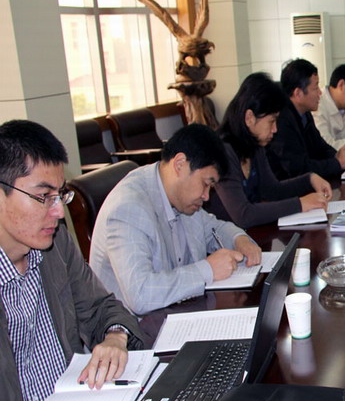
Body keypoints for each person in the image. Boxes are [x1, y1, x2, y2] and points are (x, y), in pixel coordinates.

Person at [0, 120, 143, 401]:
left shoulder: (55, 246)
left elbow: (104, 308)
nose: (58, 212)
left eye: (59, 196)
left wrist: (115, 336)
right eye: (42, 197)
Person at [90, 124, 262, 316]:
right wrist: (207, 270)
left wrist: (240, 239)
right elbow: (141, 295)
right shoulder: (129, 208)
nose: (206, 196)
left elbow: (215, 228)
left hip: (177, 313)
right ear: (180, 164)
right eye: (205, 184)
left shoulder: (180, 196)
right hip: (135, 328)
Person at [206, 72, 332, 228]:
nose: (275, 129)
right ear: (249, 118)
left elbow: (273, 190)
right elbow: (243, 215)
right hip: (221, 239)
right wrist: (300, 204)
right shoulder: (223, 151)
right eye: (271, 121)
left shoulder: (254, 144)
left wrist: (310, 179)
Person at [267, 59, 345, 180]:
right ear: (298, 93)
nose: (320, 93)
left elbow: (321, 147)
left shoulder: (305, 113)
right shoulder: (281, 122)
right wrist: (338, 163)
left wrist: (338, 154)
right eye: (315, 88)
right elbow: (299, 169)